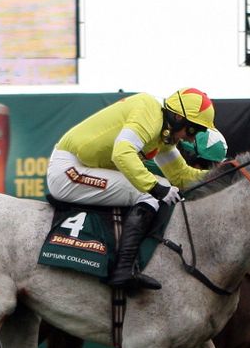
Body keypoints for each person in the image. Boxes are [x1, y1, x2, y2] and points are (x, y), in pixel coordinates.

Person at [46, 88, 220, 291]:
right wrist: (154, 188)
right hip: (68, 170)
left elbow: (180, 176)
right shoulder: (149, 111)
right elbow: (122, 153)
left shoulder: (163, 133)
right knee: (150, 192)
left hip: (84, 166)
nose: (192, 139)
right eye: (193, 130)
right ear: (178, 117)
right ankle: (123, 271)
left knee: (161, 186)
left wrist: (224, 173)